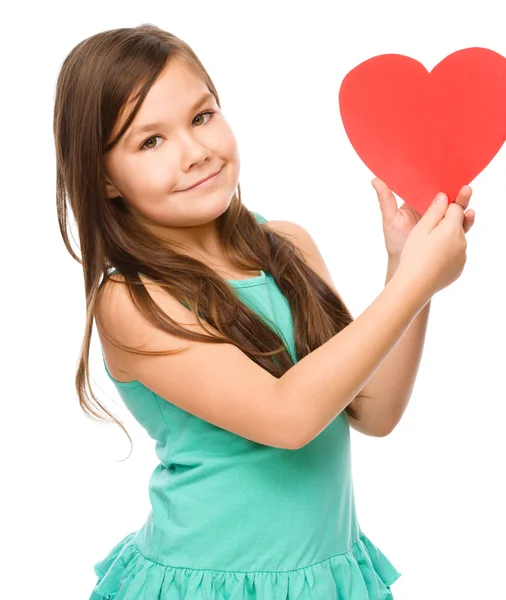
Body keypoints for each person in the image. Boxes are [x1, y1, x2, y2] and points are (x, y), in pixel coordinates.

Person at [53, 23, 475, 600]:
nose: (196, 151)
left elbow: (371, 412)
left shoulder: (288, 245)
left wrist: (406, 271)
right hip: (210, 583)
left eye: (201, 117)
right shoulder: (132, 300)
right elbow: (288, 419)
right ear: (103, 178)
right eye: (150, 141)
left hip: (324, 575)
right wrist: (414, 283)